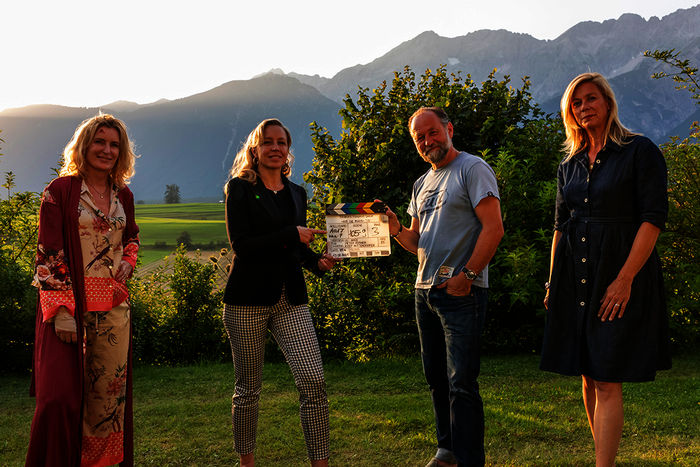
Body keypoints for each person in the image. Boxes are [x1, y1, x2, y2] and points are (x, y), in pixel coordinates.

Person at [540, 73, 670, 466]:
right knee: (587, 374)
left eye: (590, 98)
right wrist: (551, 283)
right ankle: (605, 460)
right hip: (573, 275)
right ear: (570, 113)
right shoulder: (570, 165)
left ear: (608, 103)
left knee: (608, 375)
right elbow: (561, 227)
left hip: (618, 271)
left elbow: (652, 220)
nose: (584, 107)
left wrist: (625, 280)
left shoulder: (639, 151)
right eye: (576, 103)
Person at [383, 107, 504, 467]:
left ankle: (468, 461)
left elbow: (493, 228)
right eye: (419, 137)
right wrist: (394, 228)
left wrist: (466, 277)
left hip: (461, 292)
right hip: (425, 290)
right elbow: (415, 240)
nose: (427, 141)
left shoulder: (472, 168)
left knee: (462, 383)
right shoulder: (421, 183)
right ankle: (447, 452)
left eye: (432, 132)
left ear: (449, 129)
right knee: (436, 378)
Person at [26, 114, 140, 467]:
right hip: (68, 313)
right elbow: (49, 253)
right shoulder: (59, 192)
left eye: (114, 144)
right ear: (84, 144)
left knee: (106, 402)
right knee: (58, 399)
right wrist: (61, 311)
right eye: (99, 141)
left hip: (113, 313)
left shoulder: (124, 194)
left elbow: (132, 237)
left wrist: (129, 264)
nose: (106, 150)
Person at [222, 118, 337, 467]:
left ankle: (320, 462)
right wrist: (292, 234)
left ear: (288, 150)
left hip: (292, 301)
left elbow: (296, 248)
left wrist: (318, 262)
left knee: (314, 382)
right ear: (254, 149)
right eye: (267, 142)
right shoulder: (239, 189)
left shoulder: (297, 193)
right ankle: (247, 462)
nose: (275, 147)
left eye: (281, 142)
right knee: (248, 390)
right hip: (246, 302)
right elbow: (242, 245)